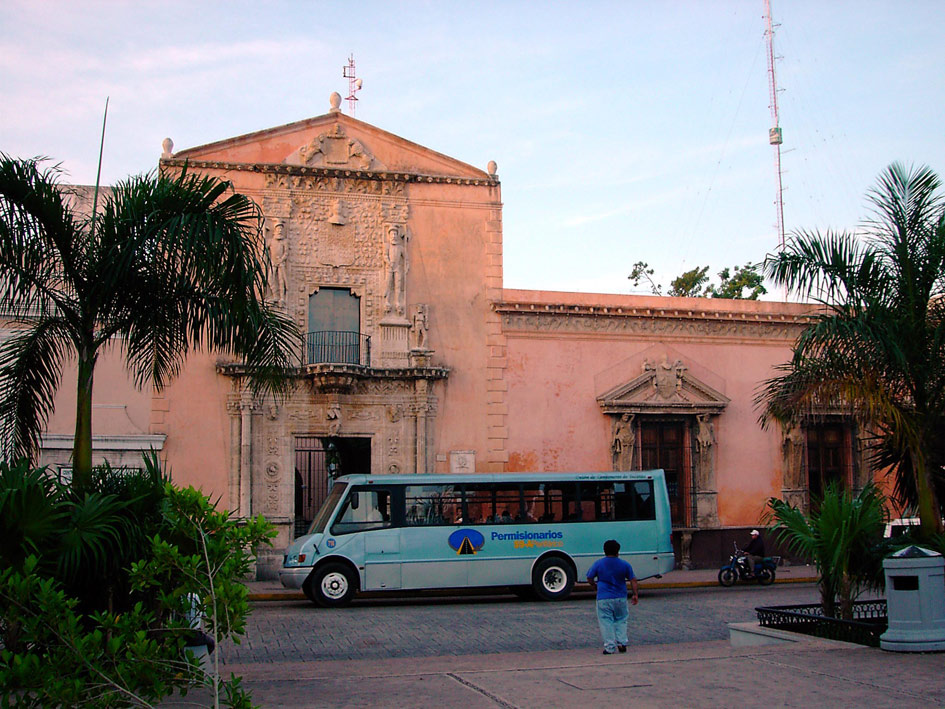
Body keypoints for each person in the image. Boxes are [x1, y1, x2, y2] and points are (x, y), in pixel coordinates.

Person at [586, 539, 639, 655]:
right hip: (620, 597)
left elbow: (589, 577)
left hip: (603, 597)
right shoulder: (624, 564)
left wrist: (594, 586)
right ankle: (622, 643)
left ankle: (610, 647)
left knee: (606, 621)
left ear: (604, 551)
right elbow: (633, 580)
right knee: (621, 619)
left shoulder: (598, 563)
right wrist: (635, 594)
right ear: (618, 551)